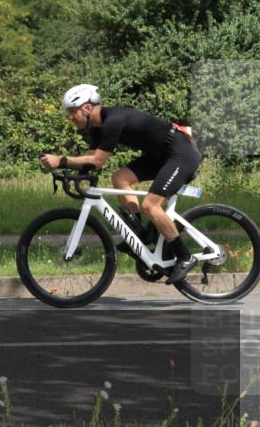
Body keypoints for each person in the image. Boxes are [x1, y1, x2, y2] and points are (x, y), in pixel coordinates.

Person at [40, 84, 202, 285]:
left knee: (151, 205)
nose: (71, 118)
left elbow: (98, 161)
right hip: (160, 156)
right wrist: (71, 173)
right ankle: (140, 235)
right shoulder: (97, 128)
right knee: (120, 179)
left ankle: (185, 256)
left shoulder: (113, 120)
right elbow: (89, 160)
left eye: (73, 112)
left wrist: (61, 160)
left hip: (180, 153)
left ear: (87, 108)